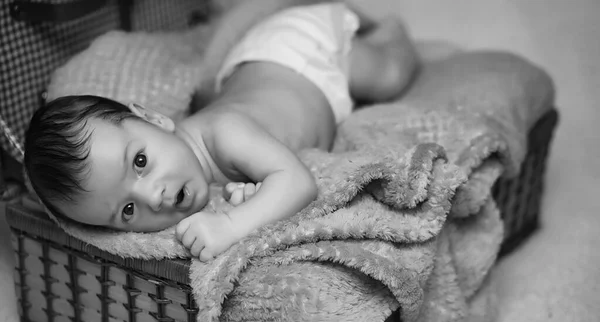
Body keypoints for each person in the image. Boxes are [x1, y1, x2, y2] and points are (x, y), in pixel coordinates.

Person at [24, 3, 418, 261]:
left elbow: (297, 182)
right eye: (127, 211)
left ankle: (384, 29)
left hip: (302, 59)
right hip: (256, 75)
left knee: (390, 75)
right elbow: (262, 188)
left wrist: (231, 225)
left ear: (155, 118)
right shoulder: (190, 179)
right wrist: (252, 197)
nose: (153, 197)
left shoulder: (224, 133)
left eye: (140, 162)